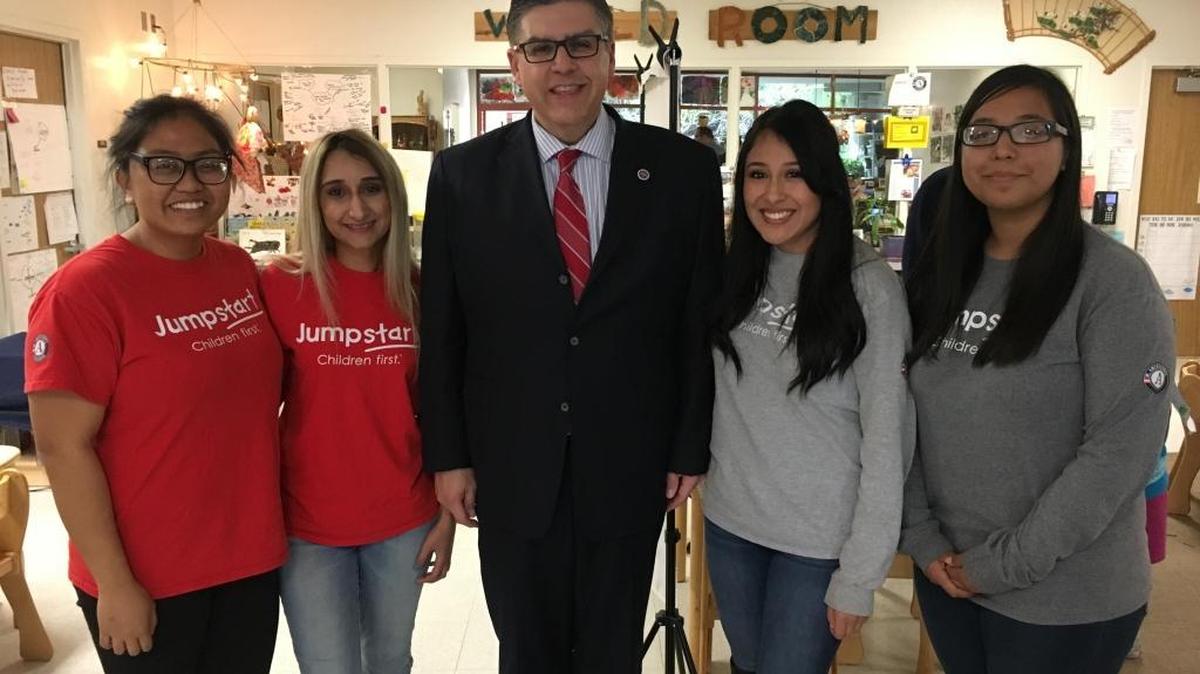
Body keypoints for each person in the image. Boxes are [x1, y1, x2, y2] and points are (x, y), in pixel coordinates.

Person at [419, 0, 725, 671]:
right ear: (514, 65)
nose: (563, 64)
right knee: (526, 649)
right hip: (510, 466)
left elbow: (694, 324)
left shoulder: (682, 172)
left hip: (631, 461)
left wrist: (688, 444)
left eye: (582, 44)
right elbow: (443, 333)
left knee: (612, 648)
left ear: (611, 57)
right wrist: (448, 457)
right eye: (542, 49)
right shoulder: (462, 177)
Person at [901, 65, 1174, 674]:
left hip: (1066, 600)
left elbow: (1117, 455)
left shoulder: (1113, 282)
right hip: (949, 578)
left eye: (1029, 130)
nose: (1002, 148)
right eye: (982, 132)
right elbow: (907, 416)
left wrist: (999, 565)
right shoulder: (942, 277)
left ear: (1065, 147)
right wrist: (924, 541)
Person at [25, 95, 286, 673]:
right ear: (125, 176)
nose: (189, 183)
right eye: (163, 164)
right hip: (148, 575)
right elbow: (62, 448)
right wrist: (115, 584)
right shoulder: (85, 292)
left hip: (248, 559)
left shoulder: (237, 269)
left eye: (208, 164)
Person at [705, 100, 914, 674]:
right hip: (732, 524)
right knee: (748, 665)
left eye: (794, 174)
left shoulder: (868, 287)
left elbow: (887, 438)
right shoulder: (732, 272)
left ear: (826, 183)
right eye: (758, 174)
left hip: (820, 543)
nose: (772, 194)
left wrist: (861, 573)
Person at [260, 128, 455, 674]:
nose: (357, 208)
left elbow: (444, 410)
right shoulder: (279, 286)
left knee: (391, 659)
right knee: (328, 666)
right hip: (308, 525)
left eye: (371, 188)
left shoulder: (422, 292)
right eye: (336, 192)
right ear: (314, 203)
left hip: (403, 517)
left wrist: (445, 514)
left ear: (393, 196)